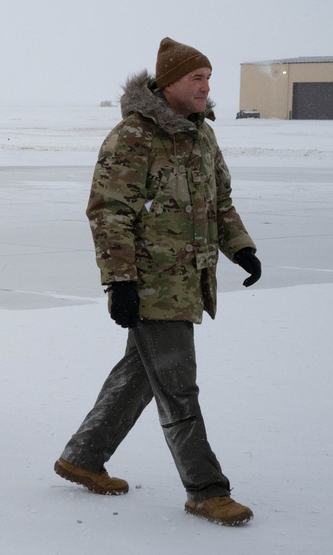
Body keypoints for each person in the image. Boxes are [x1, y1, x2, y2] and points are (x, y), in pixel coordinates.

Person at [53, 38, 263, 526]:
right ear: (169, 83)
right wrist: (120, 281)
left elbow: (220, 202)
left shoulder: (202, 136)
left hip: (188, 282)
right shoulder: (133, 136)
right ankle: (206, 490)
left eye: (209, 78)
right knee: (178, 388)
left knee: (142, 374)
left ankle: (82, 457)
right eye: (197, 78)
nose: (206, 87)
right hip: (150, 283)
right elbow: (110, 212)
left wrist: (242, 248)